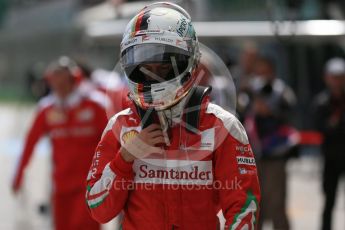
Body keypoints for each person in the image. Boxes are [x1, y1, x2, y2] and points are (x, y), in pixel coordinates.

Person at [85, 2, 260, 229]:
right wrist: (125, 157)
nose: (153, 75)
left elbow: (243, 208)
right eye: (144, 65)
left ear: (190, 61)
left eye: (165, 66)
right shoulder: (120, 126)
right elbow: (98, 210)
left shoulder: (222, 127)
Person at [12, 56, 108, 230]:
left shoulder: (96, 105)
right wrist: (18, 175)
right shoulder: (47, 109)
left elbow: (112, 142)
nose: (60, 87)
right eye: (55, 82)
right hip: (60, 186)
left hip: (89, 186)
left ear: (74, 80)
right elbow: (29, 144)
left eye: (64, 82)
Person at [244, 56, 297, 230]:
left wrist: (270, 112)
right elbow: (240, 117)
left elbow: (291, 118)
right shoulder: (250, 91)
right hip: (255, 156)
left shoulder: (282, 91)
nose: (261, 75)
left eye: (265, 71)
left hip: (275, 155)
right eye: (259, 71)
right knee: (256, 203)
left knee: (277, 203)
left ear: (272, 72)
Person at [312, 57, 345, 230]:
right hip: (330, 157)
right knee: (329, 200)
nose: (337, 81)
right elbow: (320, 127)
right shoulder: (322, 102)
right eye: (334, 76)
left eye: (340, 76)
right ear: (327, 78)